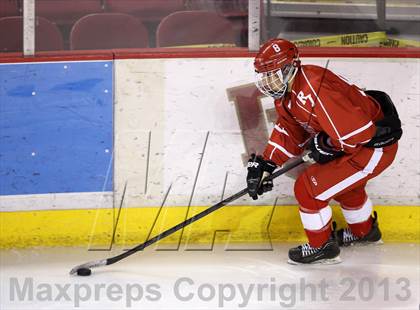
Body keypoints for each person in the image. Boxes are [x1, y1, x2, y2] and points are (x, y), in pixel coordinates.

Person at [246, 38, 402, 264]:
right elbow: (290, 131)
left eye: (271, 74)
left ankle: (322, 247)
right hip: (359, 146)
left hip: (372, 147)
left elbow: (359, 133)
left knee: (308, 189)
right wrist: (267, 163)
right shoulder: (287, 94)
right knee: (345, 188)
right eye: (263, 75)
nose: (267, 82)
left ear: (289, 68)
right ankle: (365, 232)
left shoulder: (313, 88)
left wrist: (327, 146)